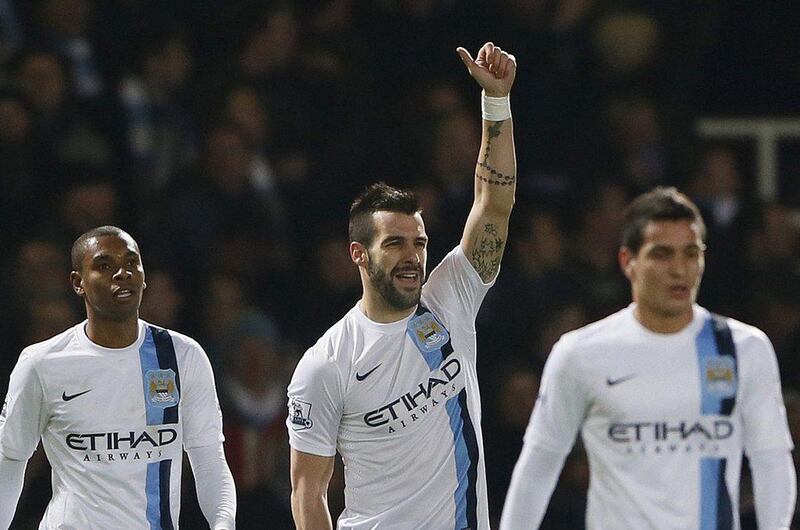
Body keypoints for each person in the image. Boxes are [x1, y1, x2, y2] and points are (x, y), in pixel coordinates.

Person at [286, 41, 517, 529]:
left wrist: (496, 101)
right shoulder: (327, 363)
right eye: (394, 243)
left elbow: (492, 205)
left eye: (419, 242)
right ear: (358, 254)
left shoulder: (449, 298)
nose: (412, 256)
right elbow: (309, 493)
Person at [501, 187, 797, 529]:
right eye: (662, 254)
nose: (679, 269)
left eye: (690, 253)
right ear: (628, 261)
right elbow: (540, 464)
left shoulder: (742, 348)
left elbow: (771, 459)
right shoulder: (582, 354)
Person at [0, 226, 236, 529]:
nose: (122, 273)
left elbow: (209, 459)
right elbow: (10, 460)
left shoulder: (182, 356)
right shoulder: (42, 364)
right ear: (78, 283)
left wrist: (223, 523)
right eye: (104, 265)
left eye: (131, 263)